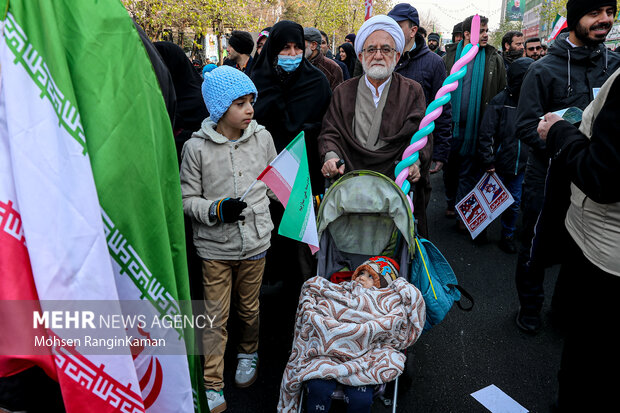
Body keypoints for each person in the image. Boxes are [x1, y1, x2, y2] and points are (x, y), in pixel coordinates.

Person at [514, 0, 620, 333]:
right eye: (594, 13)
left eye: (610, 12)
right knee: (534, 244)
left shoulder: (615, 67)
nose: (604, 20)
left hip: (593, 184)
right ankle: (530, 307)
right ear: (574, 19)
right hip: (546, 177)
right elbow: (525, 125)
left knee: (578, 245)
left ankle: (563, 309)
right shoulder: (542, 69)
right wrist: (558, 138)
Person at [179, 66, 277, 413]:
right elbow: (186, 199)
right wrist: (217, 210)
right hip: (214, 249)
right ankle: (212, 382)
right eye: (240, 103)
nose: (250, 109)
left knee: (250, 309)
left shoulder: (263, 138)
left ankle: (248, 352)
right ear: (219, 109)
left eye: (251, 101)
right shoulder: (196, 148)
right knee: (215, 317)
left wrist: (303, 205)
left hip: (255, 244)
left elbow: (278, 182)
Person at [536, 66, 620, 412]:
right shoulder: (545, 70)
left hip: (606, 260)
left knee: (588, 366)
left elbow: (602, 175)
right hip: (591, 241)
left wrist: (558, 131)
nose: (605, 19)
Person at [250, 20, 331, 290]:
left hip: (303, 177)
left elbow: (327, 126)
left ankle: (299, 300)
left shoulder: (317, 82)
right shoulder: (255, 82)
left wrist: (305, 132)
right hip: (264, 177)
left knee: (298, 246)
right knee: (266, 239)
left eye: (298, 47)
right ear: (273, 49)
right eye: (285, 48)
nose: (293, 54)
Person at [318, 15, 426, 186]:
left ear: (397, 56)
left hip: (394, 183)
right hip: (350, 182)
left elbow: (420, 135)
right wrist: (332, 158)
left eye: (385, 50)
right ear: (361, 57)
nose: (377, 56)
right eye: (371, 50)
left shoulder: (412, 91)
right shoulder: (343, 91)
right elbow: (330, 132)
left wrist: (414, 163)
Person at [387, 2, 452, 237]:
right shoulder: (384, 56)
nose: (391, 29)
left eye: (397, 24)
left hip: (418, 150)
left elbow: (442, 109)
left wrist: (440, 152)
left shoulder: (433, 63)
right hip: (385, 149)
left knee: (415, 214)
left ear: (413, 30)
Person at [442, 15, 506, 227]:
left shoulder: (493, 58)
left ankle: (463, 215)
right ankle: (451, 201)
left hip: (477, 128)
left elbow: (500, 92)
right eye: (482, 30)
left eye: (488, 30)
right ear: (468, 34)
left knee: (469, 174)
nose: (486, 35)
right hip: (450, 128)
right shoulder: (449, 57)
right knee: (450, 170)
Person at [477, 57, 534, 253]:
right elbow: (487, 133)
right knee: (488, 201)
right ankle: (481, 230)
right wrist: (488, 160)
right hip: (498, 164)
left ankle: (507, 235)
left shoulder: (534, 101)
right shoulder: (499, 101)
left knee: (514, 203)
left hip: (520, 166)